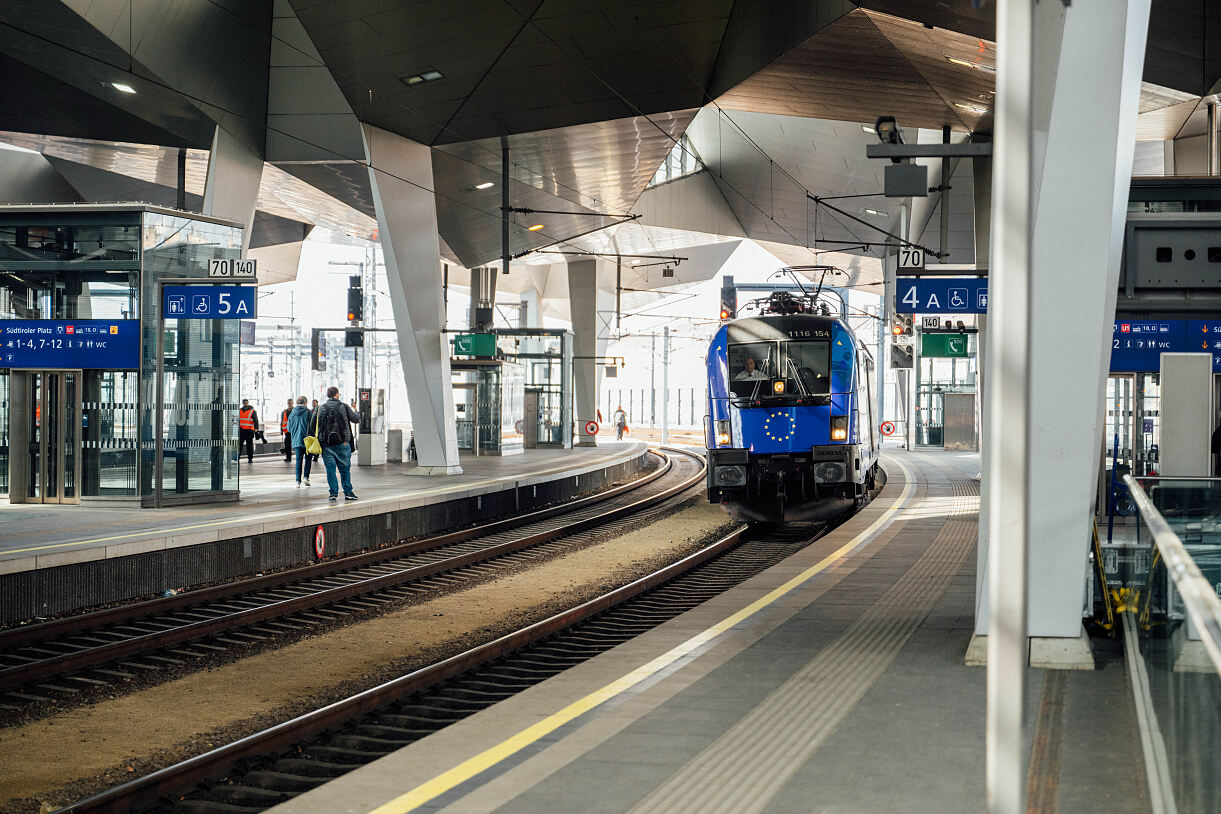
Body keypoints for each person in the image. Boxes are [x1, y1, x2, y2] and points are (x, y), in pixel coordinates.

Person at [316, 385, 360, 501]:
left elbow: (313, 425)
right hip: (343, 443)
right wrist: (355, 408)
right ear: (336, 395)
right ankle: (348, 492)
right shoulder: (344, 407)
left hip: (326, 445)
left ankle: (333, 493)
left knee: (330, 469)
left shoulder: (321, 408)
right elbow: (356, 419)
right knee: (345, 469)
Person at [286, 395, 313, 487]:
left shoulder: (292, 413)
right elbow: (312, 426)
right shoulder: (309, 412)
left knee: (298, 460)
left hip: (296, 440)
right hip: (308, 440)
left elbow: (288, 429)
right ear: (305, 402)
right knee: (308, 459)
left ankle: (298, 481)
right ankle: (306, 477)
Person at [237, 399, 260, 463]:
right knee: (239, 445)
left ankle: (250, 458)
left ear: (248, 403)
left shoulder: (252, 411)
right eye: (244, 402)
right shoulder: (240, 411)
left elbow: (255, 420)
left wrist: (256, 428)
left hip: (249, 430)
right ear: (243, 403)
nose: (245, 404)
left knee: (249, 445)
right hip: (241, 430)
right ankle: (237, 457)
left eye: (246, 402)